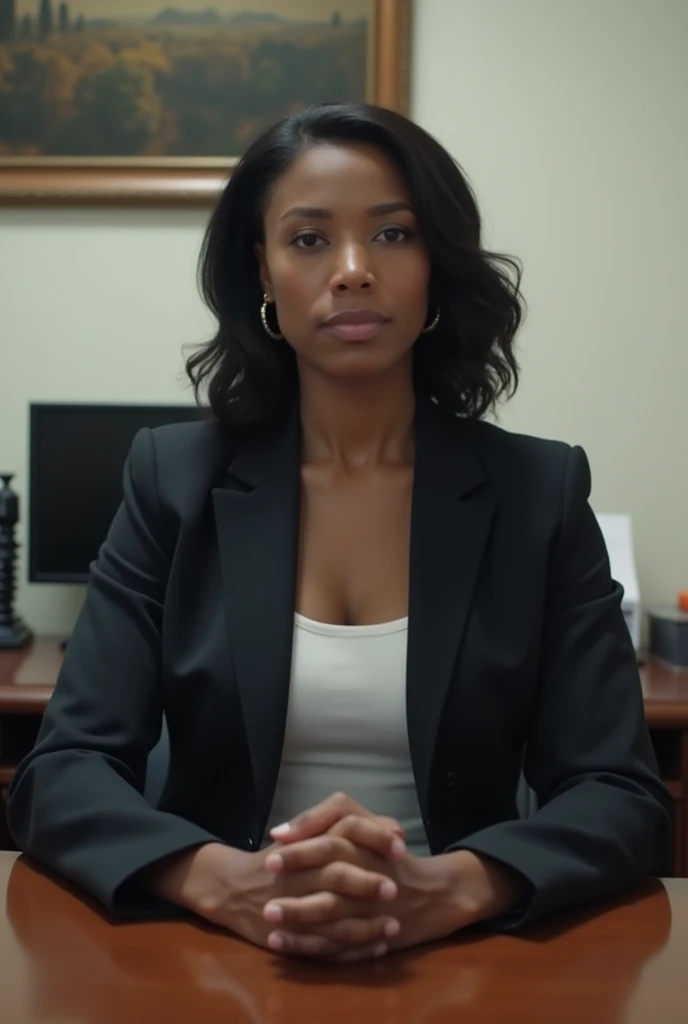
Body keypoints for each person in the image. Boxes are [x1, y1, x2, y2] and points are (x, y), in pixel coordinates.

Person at [7, 102, 671, 965]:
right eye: (310, 239)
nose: (353, 271)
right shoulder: (172, 479)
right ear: (264, 271)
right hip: (222, 948)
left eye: (393, 236)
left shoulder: (539, 490)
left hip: (463, 954)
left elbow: (619, 793)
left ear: (437, 265)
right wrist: (224, 881)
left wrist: (453, 886)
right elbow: (62, 773)